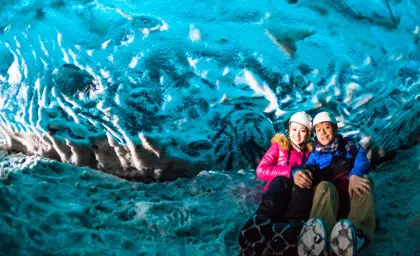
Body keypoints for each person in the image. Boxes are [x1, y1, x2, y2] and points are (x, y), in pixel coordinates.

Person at [295, 111, 375, 256]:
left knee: (365, 181)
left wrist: (354, 175)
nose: (323, 133)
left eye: (326, 127)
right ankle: (318, 235)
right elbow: (306, 168)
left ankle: (357, 233)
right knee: (325, 186)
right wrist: (297, 174)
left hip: (351, 194)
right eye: (318, 130)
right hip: (329, 200)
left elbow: (361, 159)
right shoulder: (316, 154)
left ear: (335, 128)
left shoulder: (349, 144)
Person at [239, 111, 314, 256]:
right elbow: (261, 170)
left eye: (302, 131)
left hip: (296, 200)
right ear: (288, 130)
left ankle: (292, 228)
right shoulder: (280, 147)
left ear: (309, 133)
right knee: (282, 180)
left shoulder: (311, 153)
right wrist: (290, 171)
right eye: (294, 130)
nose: (297, 135)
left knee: (303, 183)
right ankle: (260, 222)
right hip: (276, 196)